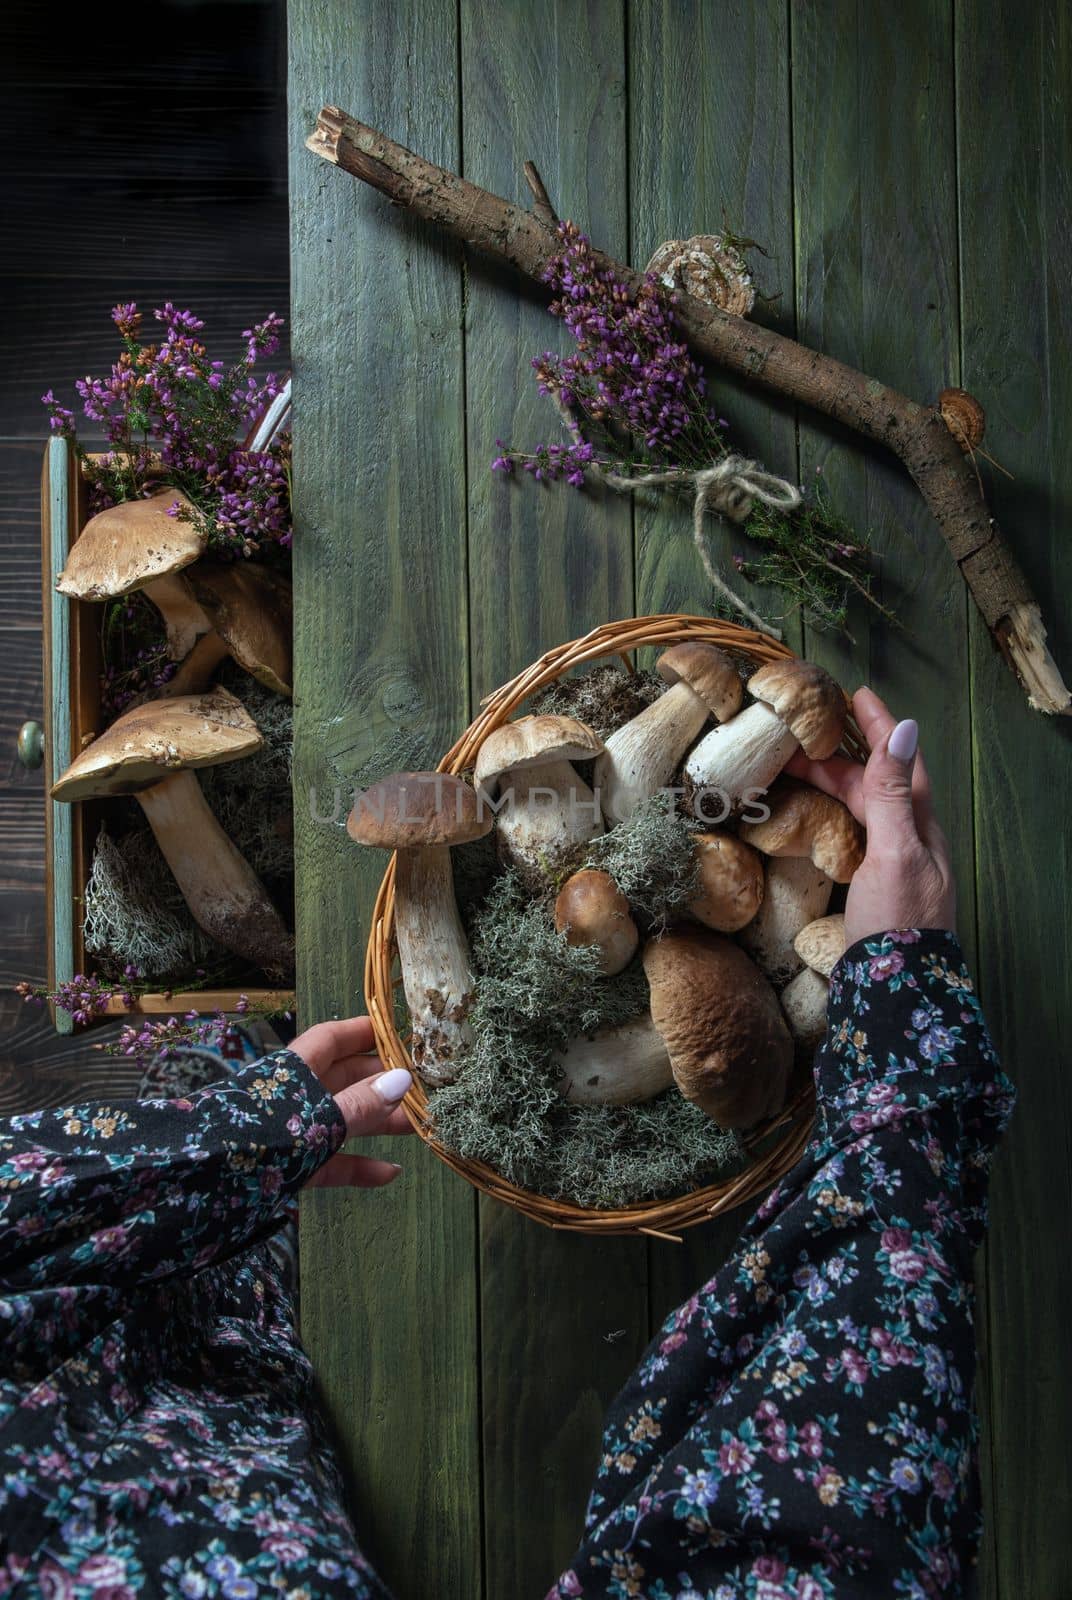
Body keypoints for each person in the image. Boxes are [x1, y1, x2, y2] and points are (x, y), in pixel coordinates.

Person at [0, 690, 1013, 1598]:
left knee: (196, 1298)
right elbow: (840, 1469)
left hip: (111, 1353)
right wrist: (902, 1009)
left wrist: (223, 1141)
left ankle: (220, 1256)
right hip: (192, 1432)